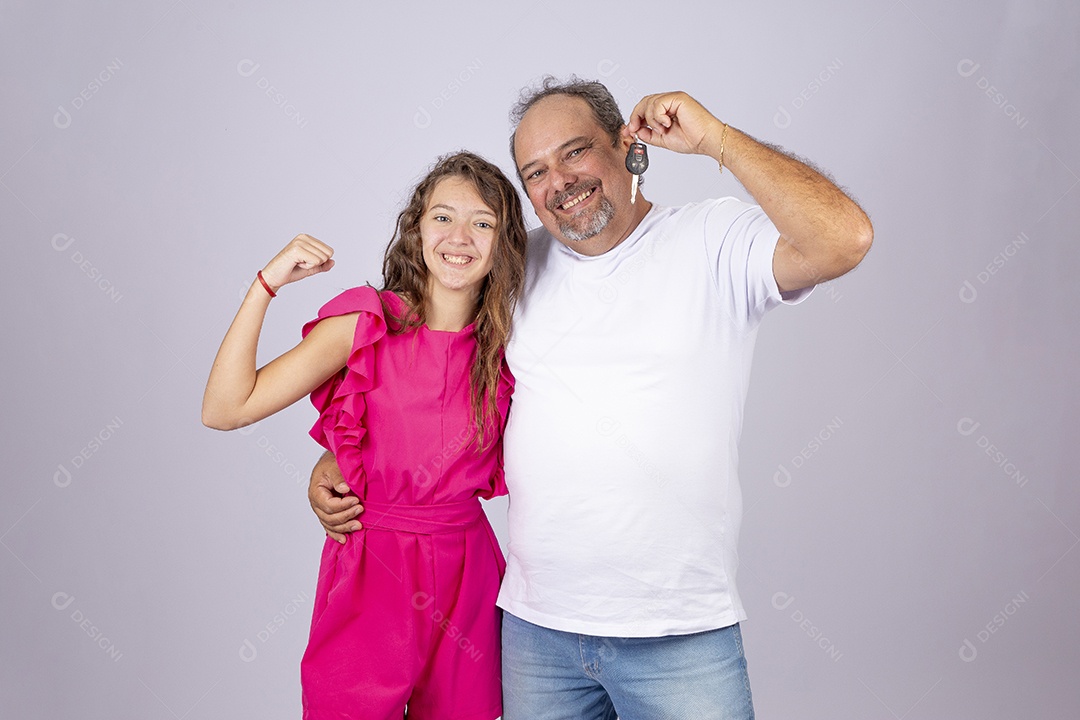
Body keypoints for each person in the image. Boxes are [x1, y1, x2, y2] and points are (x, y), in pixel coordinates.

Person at [309, 78, 873, 719]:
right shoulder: (512, 274)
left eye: (575, 152)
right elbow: (422, 384)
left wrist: (718, 140)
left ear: (627, 146)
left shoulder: (712, 239)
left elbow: (843, 239)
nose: (560, 182)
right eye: (536, 172)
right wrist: (342, 455)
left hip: (677, 635)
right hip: (536, 633)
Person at [202, 151, 528, 720]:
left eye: (483, 222)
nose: (460, 236)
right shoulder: (366, 325)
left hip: (468, 577)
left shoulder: (515, 343)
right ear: (417, 227)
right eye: (442, 217)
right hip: (372, 569)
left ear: (504, 243)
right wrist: (265, 285)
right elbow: (226, 408)